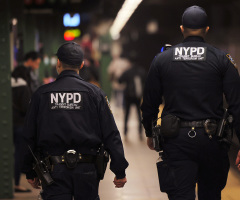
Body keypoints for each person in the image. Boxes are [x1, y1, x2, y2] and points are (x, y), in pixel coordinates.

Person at [141, 5, 240, 200]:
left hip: (176, 141)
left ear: (181, 29)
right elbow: (236, 104)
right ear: (207, 30)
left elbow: (149, 102)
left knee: (180, 195)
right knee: (211, 195)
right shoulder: (222, 60)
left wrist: (150, 133)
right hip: (213, 142)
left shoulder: (162, 59)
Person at [22, 42, 129, 200]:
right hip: (87, 168)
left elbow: (29, 134)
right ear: (82, 64)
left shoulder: (41, 95)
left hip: (52, 169)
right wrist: (119, 170)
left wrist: (29, 170)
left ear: (58, 63)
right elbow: (111, 133)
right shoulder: (95, 94)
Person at [11, 67, 32, 192]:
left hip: (8, 126)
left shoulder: (7, 85)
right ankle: (16, 183)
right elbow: (26, 107)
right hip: (20, 125)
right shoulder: (23, 87)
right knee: (18, 154)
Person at [119, 64, 145, 140]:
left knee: (127, 114)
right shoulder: (142, 71)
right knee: (139, 115)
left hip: (128, 96)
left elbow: (120, 80)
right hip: (138, 96)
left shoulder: (127, 72)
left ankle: (125, 132)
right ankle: (140, 132)